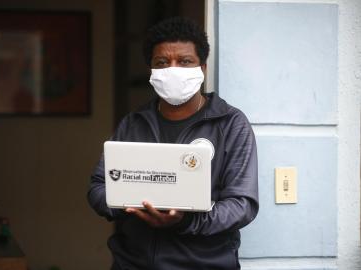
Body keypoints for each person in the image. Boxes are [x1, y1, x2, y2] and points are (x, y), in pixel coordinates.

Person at [87, 17, 259, 270]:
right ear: (151, 71)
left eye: (185, 61)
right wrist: (128, 203)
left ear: (203, 68)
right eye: (162, 63)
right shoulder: (133, 124)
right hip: (132, 263)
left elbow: (242, 204)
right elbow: (98, 188)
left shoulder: (230, 124)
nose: (173, 69)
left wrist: (186, 221)